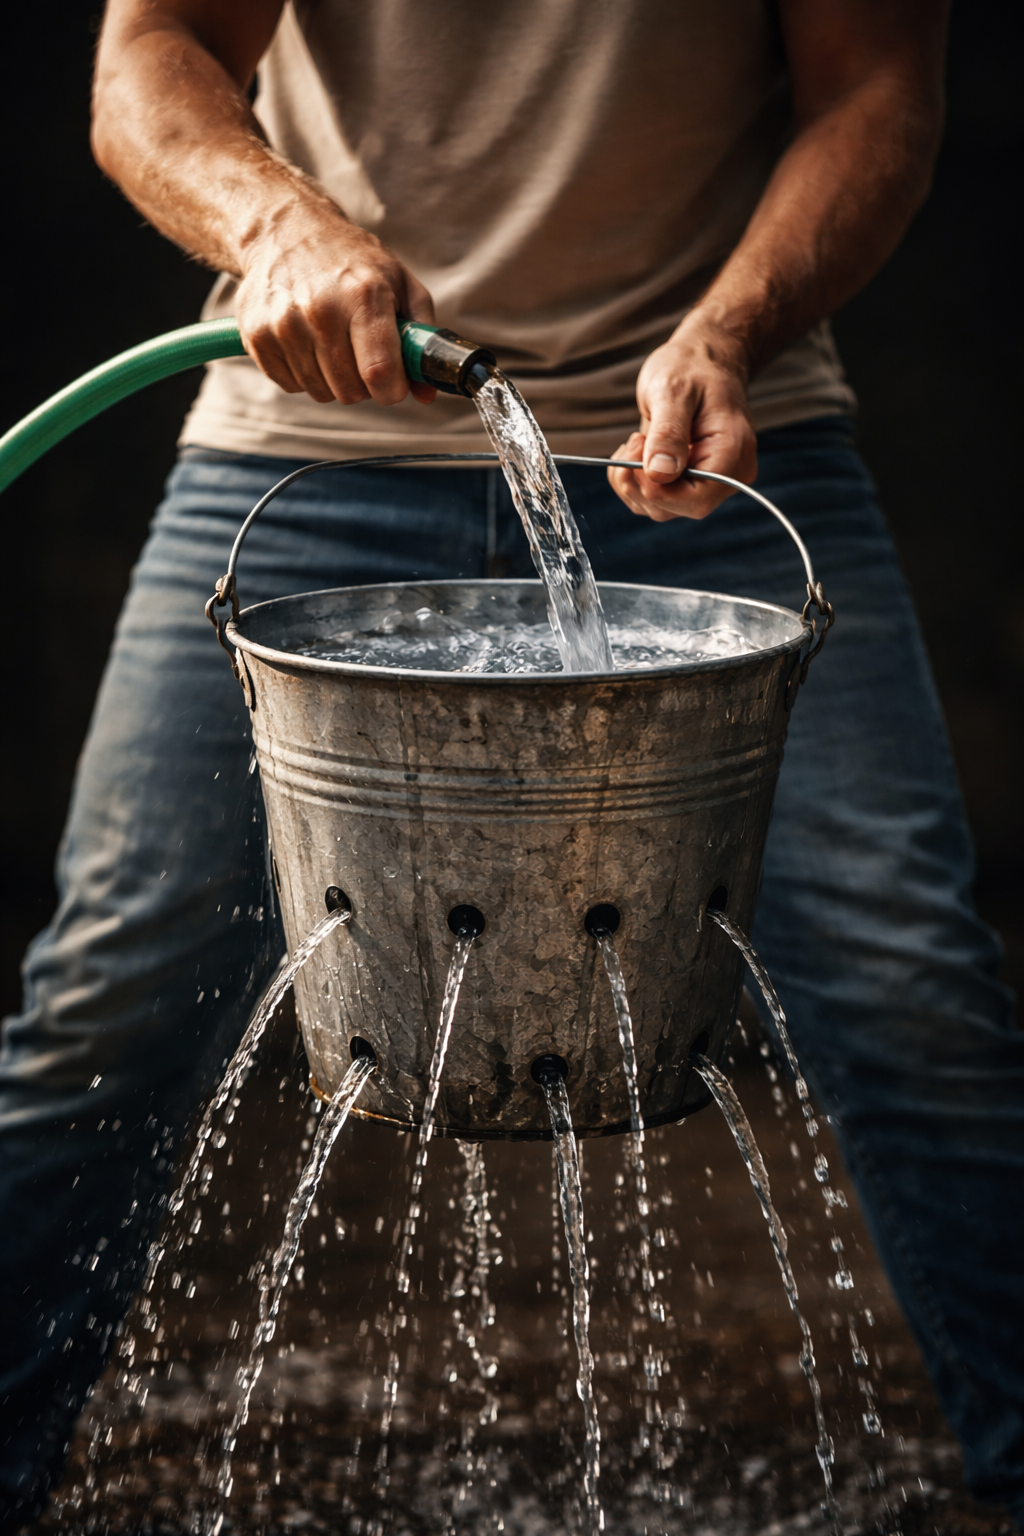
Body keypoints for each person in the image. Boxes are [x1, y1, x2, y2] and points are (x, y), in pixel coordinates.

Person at [2, 0, 1021, 1528]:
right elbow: (145, 60)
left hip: (711, 448)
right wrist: (278, 227)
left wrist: (732, 326)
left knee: (915, 985)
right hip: (308, 443)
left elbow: (879, 91)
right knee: (107, 989)